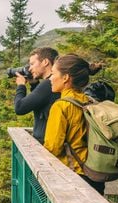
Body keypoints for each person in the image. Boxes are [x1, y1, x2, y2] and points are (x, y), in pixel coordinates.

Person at [43, 54, 105, 195]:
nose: (49, 78)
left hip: (73, 175)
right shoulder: (90, 101)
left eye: (53, 74)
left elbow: (52, 147)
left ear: (65, 78)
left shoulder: (61, 106)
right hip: (94, 173)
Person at [14, 47, 60, 144]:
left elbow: (19, 108)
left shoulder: (48, 84)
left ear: (45, 62)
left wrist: (21, 86)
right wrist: (34, 84)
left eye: (32, 64)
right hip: (51, 142)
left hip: (47, 147)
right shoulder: (55, 83)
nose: (30, 68)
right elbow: (42, 101)